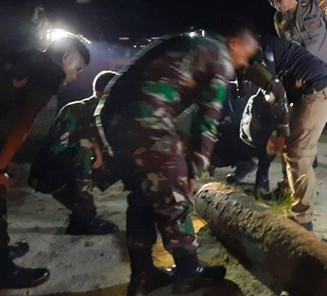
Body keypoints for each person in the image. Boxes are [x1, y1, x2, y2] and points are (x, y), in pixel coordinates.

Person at [94, 26, 257, 295]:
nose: (243, 63)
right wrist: (195, 169)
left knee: (143, 195)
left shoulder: (190, 43)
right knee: (174, 193)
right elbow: (208, 118)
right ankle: (189, 272)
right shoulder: (220, 57)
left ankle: (143, 275)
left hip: (111, 117)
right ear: (234, 42)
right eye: (246, 54)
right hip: (146, 118)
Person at [0, 36, 90, 289]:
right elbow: (24, 123)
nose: (75, 76)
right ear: (65, 57)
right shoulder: (50, 72)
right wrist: (1, 167)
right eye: (78, 68)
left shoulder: (28, 56)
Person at [247, 31, 327, 232]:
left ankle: (302, 217)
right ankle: (286, 193)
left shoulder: (259, 55)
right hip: (305, 90)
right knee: (289, 144)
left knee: (298, 151)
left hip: (319, 90)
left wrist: (278, 131)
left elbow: (276, 94)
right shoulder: (259, 48)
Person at [265, 0, 327, 177]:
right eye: (271, 2)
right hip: (303, 77)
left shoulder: (317, 4)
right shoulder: (279, 19)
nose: (276, 5)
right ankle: (310, 159)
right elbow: (288, 52)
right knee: (303, 120)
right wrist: (293, 76)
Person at [29, 70, 120, 236]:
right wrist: (93, 147)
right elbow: (56, 148)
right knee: (83, 152)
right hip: (52, 173)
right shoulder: (75, 110)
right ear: (99, 94)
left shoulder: (111, 117)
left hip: (78, 169)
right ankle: (84, 218)